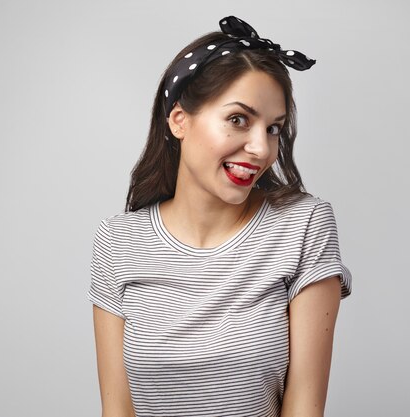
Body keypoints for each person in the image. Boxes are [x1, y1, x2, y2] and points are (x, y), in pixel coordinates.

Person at [87, 15, 353, 417]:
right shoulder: (118, 241)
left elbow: (304, 408)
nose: (262, 149)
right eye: (238, 120)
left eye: (273, 129)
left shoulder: (303, 225)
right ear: (179, 120)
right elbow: (117, 410)